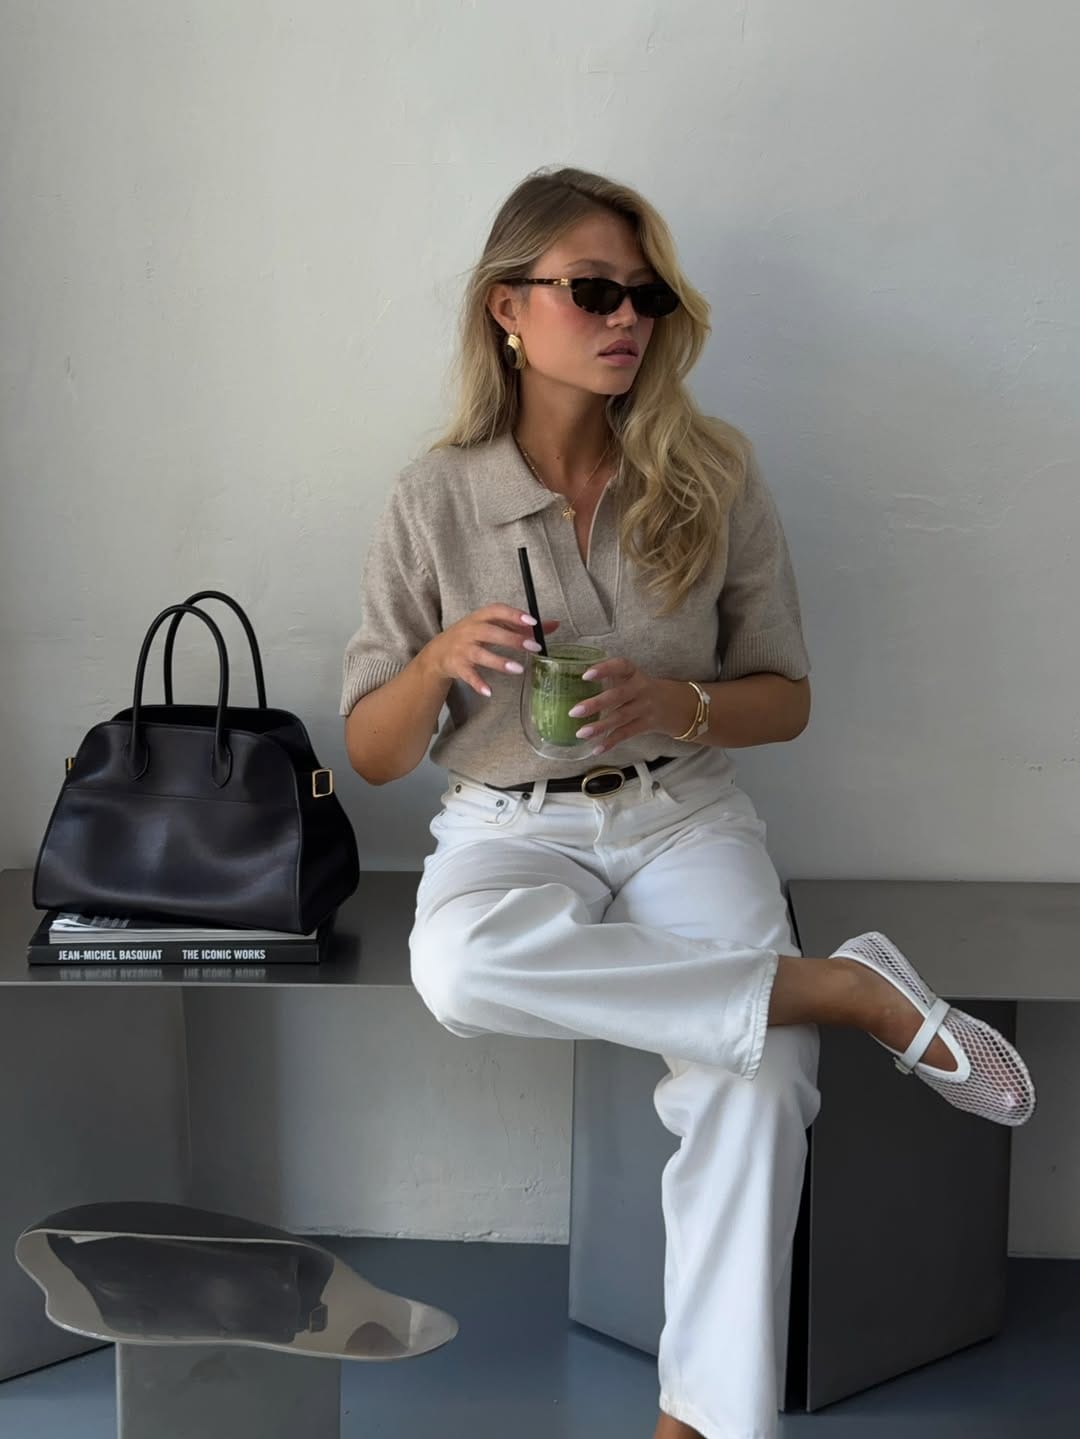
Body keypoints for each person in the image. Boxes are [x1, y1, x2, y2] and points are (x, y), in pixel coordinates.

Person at [339, 166, 1035, 1439]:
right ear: (509, 307)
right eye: (593, 290)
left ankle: (706, 1422)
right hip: (507, 823)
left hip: (683, 811)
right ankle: (842, 984)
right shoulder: (434, 497)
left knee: (761, 1077)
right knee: (457, 969)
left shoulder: (710, 471)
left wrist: (676, 702)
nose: (627, 318)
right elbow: (374, 753)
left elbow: (787, 697)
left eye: (646, 295)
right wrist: (437, 660)